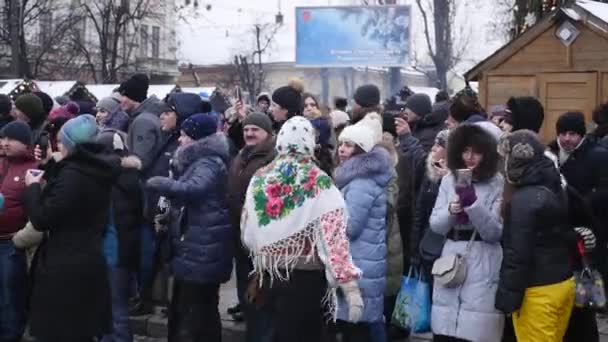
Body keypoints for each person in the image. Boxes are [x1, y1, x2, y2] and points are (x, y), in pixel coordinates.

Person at [241, 116, 363, 342]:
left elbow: (247, 233)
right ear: (310, 143)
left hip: (268, 275)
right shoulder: (319, 182)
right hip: (306, 278)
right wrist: (349, 286)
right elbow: (333, 237)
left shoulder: (260, 177)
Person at [24, 114, 119, 341]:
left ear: (68, 144)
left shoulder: (74, 176)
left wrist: (33, 188)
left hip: (66, 267)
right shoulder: (95, 169)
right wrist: (51, 164)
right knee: (80, 330)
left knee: (62, 331)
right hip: (88, 259)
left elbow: (43, 217)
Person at [146, 114, 233, 342]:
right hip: (197, 246)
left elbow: (194, 188)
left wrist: (160, 183)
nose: (180, 140)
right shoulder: (199, 160)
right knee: (195, 310)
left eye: (185, 136)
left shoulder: (208, 162)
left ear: (197, 139)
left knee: (195, 314)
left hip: (203, 249)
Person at [495, 130, 574, 342]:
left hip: (537, 291)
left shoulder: (524, 200)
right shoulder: (556, 184)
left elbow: (518, 254)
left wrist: (507, 300)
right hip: (563, 282)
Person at [429, 124, 504, 342]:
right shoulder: (448, 180)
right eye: (465, 150)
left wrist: (472, 205)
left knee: (475, 329)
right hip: (451, 256)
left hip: (483, 256)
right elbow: (435, 225)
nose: (470, 157)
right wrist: (451, 211)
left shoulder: (497, 183)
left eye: (477, 151)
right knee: (446, 328)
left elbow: (494, 232)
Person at [334, 119, 393, 341]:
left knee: (358, 328)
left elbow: (350, 227)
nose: (342, 149)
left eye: (349, 145)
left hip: (360, 263)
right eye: (341, 143)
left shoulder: (360, 183)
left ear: (361, 150)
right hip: (363, 260)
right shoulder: (355, 178)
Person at [227, 112, 276, 338]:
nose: (249, 133)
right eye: (246, 129)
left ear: (267, 133)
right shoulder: (242, 155)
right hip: (240, 237)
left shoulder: (271, 158)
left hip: (262, 240)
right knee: (246, 297)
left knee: (261, 299)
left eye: (255, 129)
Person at [0, 121, 38, 341]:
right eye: (2, 138)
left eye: (10, 139)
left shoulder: (33, 169)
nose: (5, 143)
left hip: (12, 245)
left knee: (10, 300)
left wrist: (20, 239)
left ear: (25, 144)